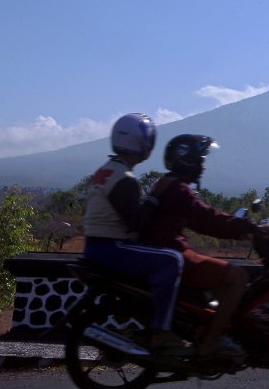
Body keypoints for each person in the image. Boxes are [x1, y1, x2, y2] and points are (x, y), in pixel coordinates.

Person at [138, 134, 258, 359]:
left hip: (163, 251)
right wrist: (246, 227)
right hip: (172, 252)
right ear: (188, 160)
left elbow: (201, 220)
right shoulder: (179, 189)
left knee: (218, 278)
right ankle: (210, 342)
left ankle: (204, 329)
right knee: (238, 277)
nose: (203, 166)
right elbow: (205, 219)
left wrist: (237, 228)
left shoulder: (168, 184)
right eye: (200, 160)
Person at [82, 113, 191, 356]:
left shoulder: (104, 172)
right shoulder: (125, 179)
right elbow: (136, 224)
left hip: (94, 247)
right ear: (142, 143)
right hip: (111, 248)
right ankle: (161, 330)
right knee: (172, 260)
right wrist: (155, 196)